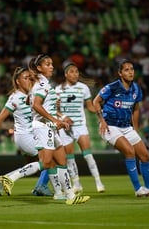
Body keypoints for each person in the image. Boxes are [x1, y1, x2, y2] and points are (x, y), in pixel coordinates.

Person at [93, 59, 149, 198]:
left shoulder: (136, 88)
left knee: (145, 155)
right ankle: (138, 189)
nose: (130, 72)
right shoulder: (112, 87)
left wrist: (135, 128)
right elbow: (96, 101)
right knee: (130, 152)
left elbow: (136, 109)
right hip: (110, 126)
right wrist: (102, 120)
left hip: (126, 127)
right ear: (120, 73)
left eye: (132, 69)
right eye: (126, 70)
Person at [27, 54, 90, 205]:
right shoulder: (42, 85)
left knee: (61, 160)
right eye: (47, 64)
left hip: (48, 126)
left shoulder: (44, 84)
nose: (51, 66)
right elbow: (36, 105)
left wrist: (59, 116)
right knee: (47, 162)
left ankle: (65, 195)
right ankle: (11, 177)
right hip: (44, 127)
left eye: (51, 64)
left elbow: (36, 104)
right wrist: (55, 119)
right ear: (39, 68)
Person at [0, 67, 53, 197]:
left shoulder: (34, 94)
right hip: (25, 136)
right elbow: (0, 117)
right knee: (50, 159)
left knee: (46, 161)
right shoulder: (15, 97)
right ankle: (39, 186)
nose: (29, 80)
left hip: (33, 135)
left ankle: (6, 178)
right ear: (18, 81)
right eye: (25, 78)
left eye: (30, 77)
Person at [55, 62, 105, 194]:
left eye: (77, 71)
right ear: (66, 74)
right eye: (71, 71)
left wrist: (100, 111)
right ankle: (76, 184)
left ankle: (98, 182)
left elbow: (89, 106)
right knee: (70, 157)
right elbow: (55, 110)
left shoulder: (83, 88)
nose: (75, 74)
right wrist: (64, 116)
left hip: (80, 125)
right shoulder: (58, 90)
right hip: (64, 127)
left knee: (88, 155)